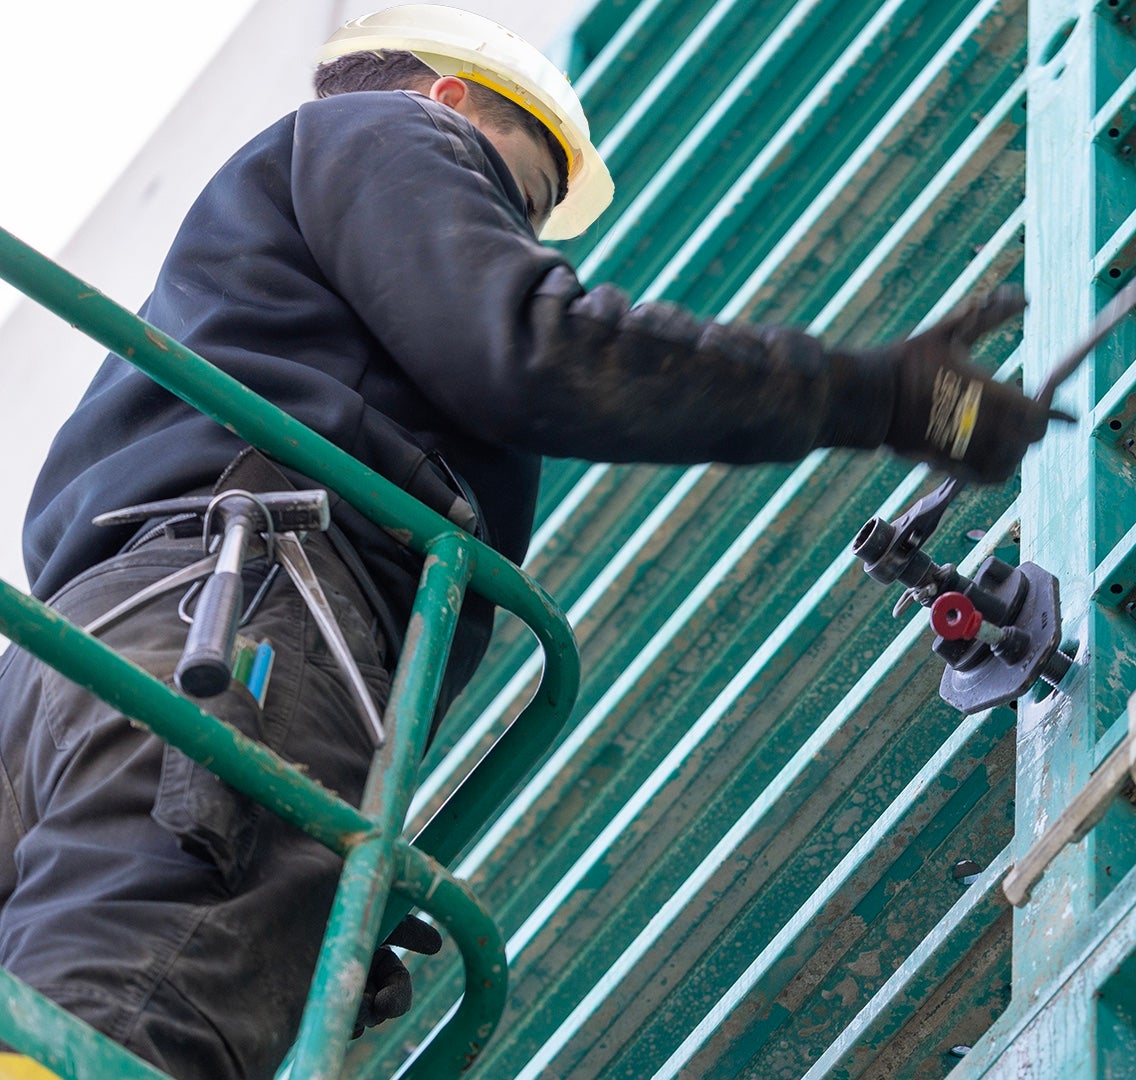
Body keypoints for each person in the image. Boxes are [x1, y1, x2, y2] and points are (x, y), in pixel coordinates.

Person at [0, 5, 1054, 1078]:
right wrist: (878, 397)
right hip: (244, 619)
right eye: (525, 196)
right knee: (124, 1020)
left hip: (81, 662)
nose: (523, 232)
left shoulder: (236, 295)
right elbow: (528, 348)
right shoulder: (391, 131)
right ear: (451, 99)